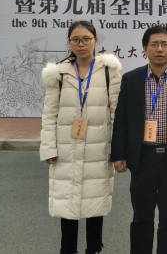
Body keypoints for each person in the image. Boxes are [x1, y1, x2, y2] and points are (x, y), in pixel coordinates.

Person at [110, 25, 167, 254]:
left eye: (164, 44)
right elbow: (121, 118)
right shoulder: (131, 79)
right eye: (154, 44)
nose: (159, 49)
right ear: (145, 49)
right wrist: (118, 154)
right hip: (143, 158)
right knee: (141, 217)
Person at [40, 20, 122, 254]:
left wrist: (118, 150)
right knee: (67, 203)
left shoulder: (108, 70)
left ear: (95, 40)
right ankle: (68, 250)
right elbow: (49, 114)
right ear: (70, 43)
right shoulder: (59, 73)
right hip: (65, 148)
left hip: (98, 147)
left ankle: (94, 249)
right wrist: (48, 148)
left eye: (86, 39)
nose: (81, 44)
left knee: (95, 203)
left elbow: (116, 113)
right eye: (75, 40)